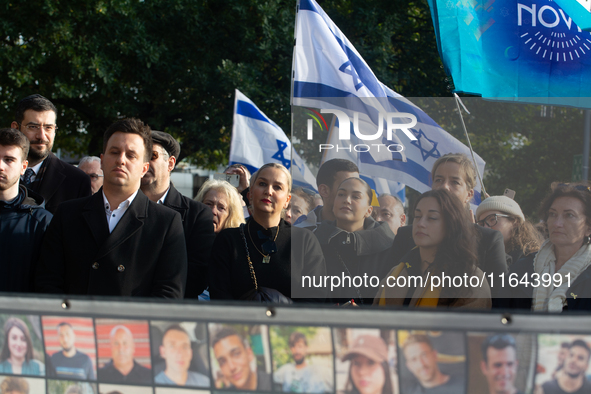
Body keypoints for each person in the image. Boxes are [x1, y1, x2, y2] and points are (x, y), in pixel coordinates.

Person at [35, 118, 187, 298]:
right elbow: (47, 282)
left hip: (132, 325)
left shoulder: (166, 222)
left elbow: (168, 293)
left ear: (144, 168)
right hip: (75, 323)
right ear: (102, 160)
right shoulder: (68, 214)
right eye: (114, 152)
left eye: (131, 155)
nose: (121, 160)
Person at [389, 153, 507, 298]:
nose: (444, 187)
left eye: (455, 182)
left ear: (469, 194)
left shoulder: (488, 240)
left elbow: (500, 301)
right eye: (438, 180)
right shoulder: (406, 236)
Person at [209, 163, 326, 302]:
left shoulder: (305, 240)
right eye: (262, 184)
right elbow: (220, 297)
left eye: (277, 187)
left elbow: (315, 299)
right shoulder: (228, 240)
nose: (269, 191)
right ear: (250, 193)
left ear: (287, 200)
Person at [374, 189, 491, 308]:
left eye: (432, 217)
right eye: (417, 216)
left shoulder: (470, 278)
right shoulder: (396, 272)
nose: (420, 223)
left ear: (452, 224)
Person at [140, 130, 215, 298]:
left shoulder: (197, 214)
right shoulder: (121, 207)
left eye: (152, 156)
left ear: (170, 163)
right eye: (140, 155)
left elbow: (196, 277)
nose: (144, 163)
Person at [506, 183, 591, 311]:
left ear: (588, 228)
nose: (557, 223)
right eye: (552, 214)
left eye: (569, 215)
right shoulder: (522, 268)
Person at [314, 177, 394, 305]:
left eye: (356, 197)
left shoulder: (390, 248)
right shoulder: (313, 242)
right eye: (341, 194)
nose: (346, 200)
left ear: (369, 210)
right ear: (334, 205)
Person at [11, 94, 91, 213]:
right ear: (15, 128)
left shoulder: (77, 181)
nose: (41, 136)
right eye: (33, 127)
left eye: (48, 128)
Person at [0, 128, 52, 293]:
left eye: (9, 160)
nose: (0, 166)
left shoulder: (42, 222)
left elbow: (49, 282)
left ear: (24, 167)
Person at [476, 196, 542, 267]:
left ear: (515, 222)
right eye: (481, 224)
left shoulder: (531, 259)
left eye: (492, 219)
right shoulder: (481, 256)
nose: (485, 227)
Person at [295, 158, 359, 230]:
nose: (350, 199)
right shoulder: (299, 233)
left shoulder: (370, 233)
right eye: (344, 189)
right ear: (324, 190)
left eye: (357, 190)